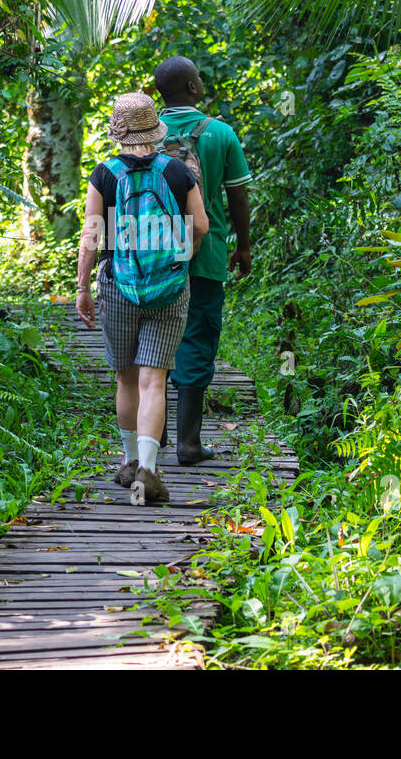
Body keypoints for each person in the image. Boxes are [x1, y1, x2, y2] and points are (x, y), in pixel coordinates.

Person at [76, 92, 209, 503]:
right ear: (155, 129)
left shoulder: (104, 174)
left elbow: (91, 236)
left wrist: (82, 287)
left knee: (126, 377)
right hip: (169, 289)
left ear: (119, 132)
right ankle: (149, 471)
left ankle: (130, 461)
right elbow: (201, 225)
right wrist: (181, 258)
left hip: (118, 285)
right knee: (155, 379)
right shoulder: (177, 171)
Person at [153, 56, 253, 466]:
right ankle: (189, 443)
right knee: (197, 337)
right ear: (193, 88)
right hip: (204, 254)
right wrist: (243, 247)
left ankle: (152, 437)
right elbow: (237, 197)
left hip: (149, 256)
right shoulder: (220, 134)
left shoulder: (143, 133)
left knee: (152, 339)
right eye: (198, 78)